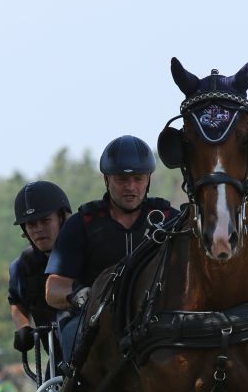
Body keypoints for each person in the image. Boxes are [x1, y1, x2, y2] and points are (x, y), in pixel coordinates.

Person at [45, 135, 179, 361]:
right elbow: (52, 290)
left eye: (138, 179)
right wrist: (77, 296)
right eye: (121, 180)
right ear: (106, 180)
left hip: (154, 319)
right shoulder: (81, 225)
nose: (131, 187)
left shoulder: (169, 220)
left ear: (148, 179)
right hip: (92, 321)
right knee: (72, 335)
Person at [8, 180, 71, 361]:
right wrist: (23, 328)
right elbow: (16, 301)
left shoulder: (87, 254)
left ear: (62, 218)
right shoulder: (22, 267)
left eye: (45, 220)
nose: (39, 230)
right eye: (31, 224)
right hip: (58, 362)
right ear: (24, 230)